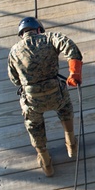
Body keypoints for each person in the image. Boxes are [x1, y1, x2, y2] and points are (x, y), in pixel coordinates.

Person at [8, 17, 83, 177]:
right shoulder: (50, 38)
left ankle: (45, 160)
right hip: (55, 91)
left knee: (33, 125)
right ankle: (71, 144)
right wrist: (74, 73)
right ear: (39, 29)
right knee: (65, 108)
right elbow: (69, 46)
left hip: (32, 98)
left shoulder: (14, 51)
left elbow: (14, 80)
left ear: (21, 34)